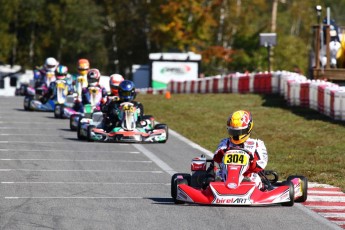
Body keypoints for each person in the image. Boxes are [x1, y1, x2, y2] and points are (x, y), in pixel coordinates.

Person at [211, 110, 269, 190]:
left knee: (253, 178)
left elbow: (262, 164)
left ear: (248, 128)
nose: (236, 135)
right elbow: (216, 158)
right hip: (227, 174)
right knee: (218, 175)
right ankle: (219, 186)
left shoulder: (257, 144)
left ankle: (247, 186)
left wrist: (252, 161)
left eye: (239, 132)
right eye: (233, 132)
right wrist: (223, 153)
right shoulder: (225, 142)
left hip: (248, 173)